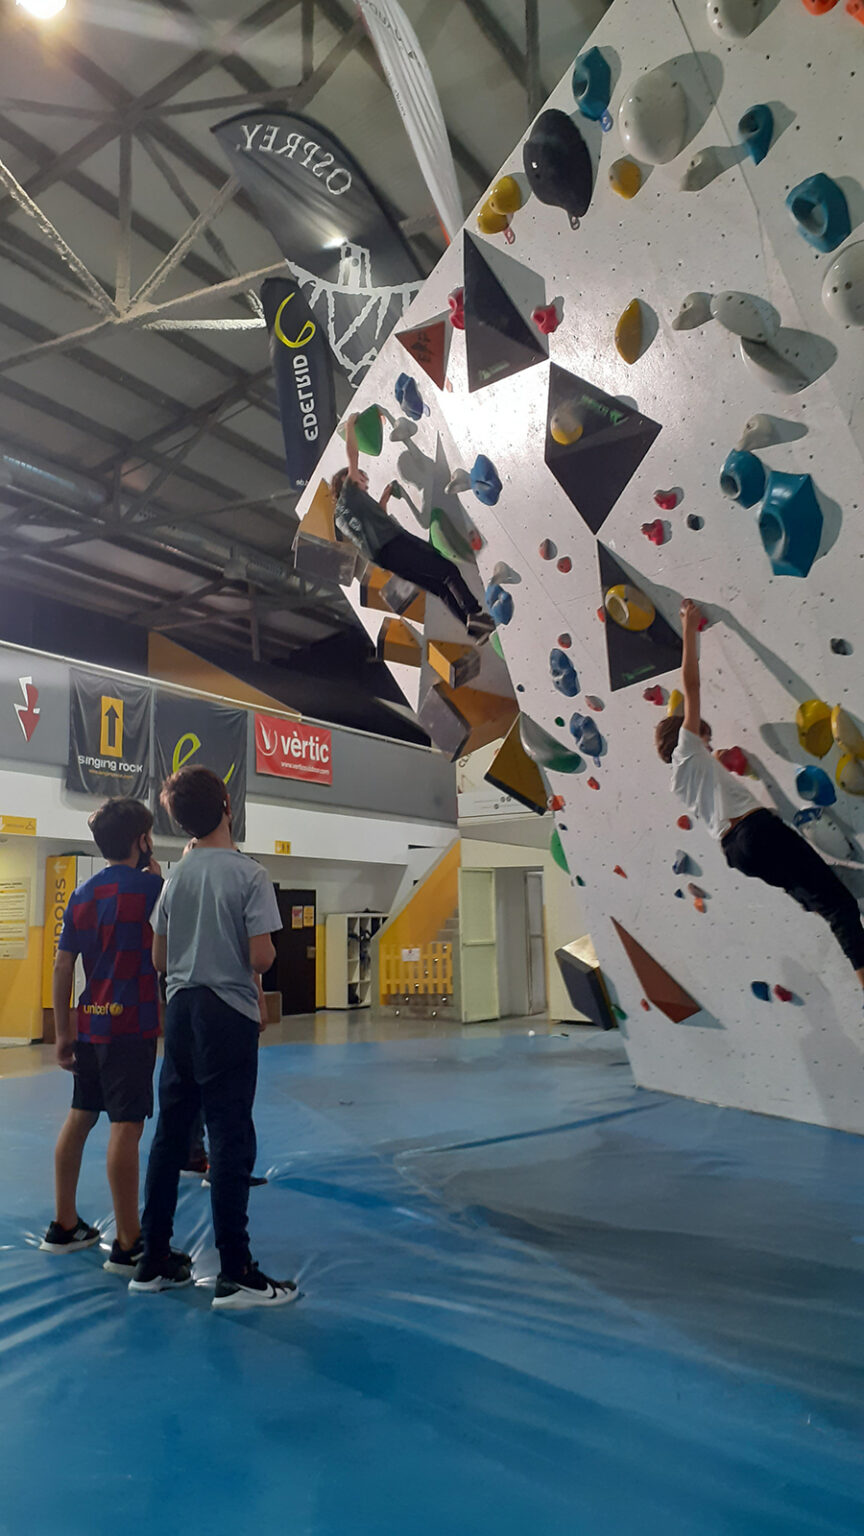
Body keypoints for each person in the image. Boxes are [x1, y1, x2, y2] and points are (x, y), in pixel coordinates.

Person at [129, 766, 297, 1308]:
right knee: (229, 1136)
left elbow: (159, 957)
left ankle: (153, 1259)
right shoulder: (250, 874)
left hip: (180, 1011)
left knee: (170, 1135)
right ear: (228, 804)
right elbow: (262, 957)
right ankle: (236, 1270)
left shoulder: (176, 877)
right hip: (227, 1014)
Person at [656, 599, 864, 990]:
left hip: (737, 853)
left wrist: (721, 762)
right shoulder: (688, 746)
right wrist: (688, 627)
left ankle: (816, 897)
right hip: (756, 833)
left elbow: (715, 786)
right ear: (687, 734)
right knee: (839, 905)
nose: (708, 743)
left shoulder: (680, 780)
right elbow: (692, 685)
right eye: (705, 737)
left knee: (820, 900)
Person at [40, 798, 166, 1275]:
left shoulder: (82, 895)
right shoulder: (152, 889)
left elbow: (62, 965)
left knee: (80, 1116)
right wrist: (156, 881)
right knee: (126, 1127)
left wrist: (63, 1033)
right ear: (142, 841)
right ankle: (129, 1242)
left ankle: (65, 1223)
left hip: (91, 1023)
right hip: (131, 1025)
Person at [331, 412, 494, 636]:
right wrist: (350, 424)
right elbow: (352, 453)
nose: (364, 485)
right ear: (345, 480)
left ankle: (475, 631)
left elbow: (374, 523)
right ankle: (474, 613)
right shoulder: (349, 491)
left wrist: (384, 500)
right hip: (395, 544)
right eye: (360, 479)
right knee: (447, 571)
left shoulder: (341, 515)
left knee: (439, 587)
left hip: (385, 559)